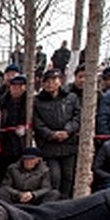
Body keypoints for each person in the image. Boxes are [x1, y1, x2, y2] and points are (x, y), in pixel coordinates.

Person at [32, 69, 81, 199]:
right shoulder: (37, 101)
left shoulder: (71, 98)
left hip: (69, 144)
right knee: (54, 176)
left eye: (54, 80)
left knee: (69, 176)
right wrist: (50, 134)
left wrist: (67, 131)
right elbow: (37, 122)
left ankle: (66, 202)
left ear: (60, 81)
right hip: (48, 145)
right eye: (47, 81)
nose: (50, 84)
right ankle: (53, 202)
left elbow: (77, 117)